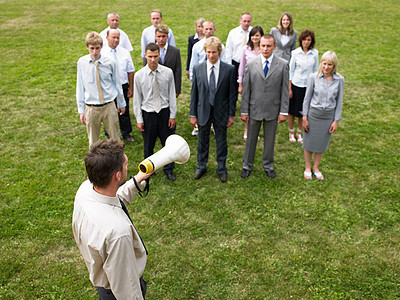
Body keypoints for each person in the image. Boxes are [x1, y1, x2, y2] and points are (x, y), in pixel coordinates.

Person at [72, 139, 151, 300]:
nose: (127, 166)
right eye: (126, 164)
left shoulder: (85, 190)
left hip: (102, 282)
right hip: (115, 292)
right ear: (117, 175)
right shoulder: (117, 233)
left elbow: (111, 201)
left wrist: (137, 181)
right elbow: (127, 289)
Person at [240, 34, 289, 179]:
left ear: (274, 47)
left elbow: (285, 90)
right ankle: (247, 165)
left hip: (272, 109)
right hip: (254, 108)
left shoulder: (283, 64)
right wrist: (244, 110)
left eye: (269, 46)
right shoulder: (251, 64)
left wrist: (283, 111)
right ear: (259, 46)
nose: (266, 49)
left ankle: (268, 165)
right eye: (263, 46)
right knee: (251, 139)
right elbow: (247, 90)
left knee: (270, 140)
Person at [190, 37, 236, 183]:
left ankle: (221, 168)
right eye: (208, 52)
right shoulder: (198, 69)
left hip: (221, 112)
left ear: (219, 52)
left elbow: (232, 95)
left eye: (214, 52)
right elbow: (194, 93)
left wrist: (231, 114)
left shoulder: (229, 70)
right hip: (203, 110)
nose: (211, 55)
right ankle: (201, 166)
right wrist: (193, 114)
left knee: (221, 141)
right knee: (202, 140)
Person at [133, 43, 177, 181]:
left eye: (155, 56)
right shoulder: (139, 76)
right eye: (150, 56)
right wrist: (139, 119)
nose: (153, 59)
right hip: (148, 114)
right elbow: (137, 98)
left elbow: (171, 95)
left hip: (164, 112)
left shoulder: (167, 73)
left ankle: (169, 169)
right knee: (148, 145)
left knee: (167, 144)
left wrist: (172, 115)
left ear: (159, 55)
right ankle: (148, 170)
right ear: (145, 56)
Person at [76, 31, 125, 147]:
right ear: (87, 47)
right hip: (91, 107)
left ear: (102, 47)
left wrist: (121, 103)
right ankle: (94, 165)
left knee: (115, 141)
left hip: (109, 106)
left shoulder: (110, 62)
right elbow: (80, 86)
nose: (95, 52)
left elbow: (117, 83)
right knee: (93, 143)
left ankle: (119, 164)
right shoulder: (82, 63)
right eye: (92, 48)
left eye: (97, 48)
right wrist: (81, 110)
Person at [302, 51, 344, 180]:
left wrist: (336, 120)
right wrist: (305, 117)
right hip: (313, 115)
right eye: (324, 64)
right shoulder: (313, 77)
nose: (326, 67)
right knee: (309, 143)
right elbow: (307, 98)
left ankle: (316, 167)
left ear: (334, 65)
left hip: (328, 117)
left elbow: (339, 101)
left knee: (321, 143)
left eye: (329, 65)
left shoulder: (340, 80)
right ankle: (308, 167)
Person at [102, 29, 136, 143]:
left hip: (122, 86)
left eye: (118, 38)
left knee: (124, 111)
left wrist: (131, 88)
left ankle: (126, 133)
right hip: (108, 87)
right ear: (107, 38)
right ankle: (109, 135)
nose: (116, 40)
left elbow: (130, 71)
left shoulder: (125, 52)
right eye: (113, 37)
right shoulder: (102, 53)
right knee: (109, 111)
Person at [288, 29, 318, 144]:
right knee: (292, 110)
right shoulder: (295, 53)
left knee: (302, 111)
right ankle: (291, 131)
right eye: (304, 39)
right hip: (296, 84)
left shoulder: (314, 53)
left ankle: (299, 132)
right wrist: (290, 88)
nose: (306, 42)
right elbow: (291, 71)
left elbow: (315, 71)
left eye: (309, 40)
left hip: (308, 86)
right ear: (301, 40)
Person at [237, 25, 264, 139]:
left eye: (257, 35)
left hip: (262, 82)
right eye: (253, 35)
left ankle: (256, 130)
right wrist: (240, 83)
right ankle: (247, 129)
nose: (255, 38)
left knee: (259, 106)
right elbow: (242, 67)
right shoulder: (245, 49)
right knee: (248, 106)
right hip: (249, 82)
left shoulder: (264, 49)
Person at [144, 24, 182, 98]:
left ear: (167, 37)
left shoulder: (175, 51)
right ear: (155, 37)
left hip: (169, 85)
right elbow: (145, 68)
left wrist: (177, 89)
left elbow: (178, 70)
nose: (161, 39)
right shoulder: (149, 50)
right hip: (153, 85)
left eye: (163, 36)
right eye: (159, 36)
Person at [225, 13, 253, 99]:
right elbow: (229, 50)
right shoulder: (233, 33)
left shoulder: (253, 32)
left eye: (248, 21)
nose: (246, 23)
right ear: (240, 21)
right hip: (236, 63)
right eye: (244, 21)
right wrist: (229, 65)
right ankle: (232, 108)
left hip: (249, 64)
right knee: (233, 87)